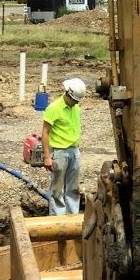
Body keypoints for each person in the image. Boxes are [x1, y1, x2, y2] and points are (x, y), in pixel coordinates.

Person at [42, 78, 86, 215]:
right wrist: (47, 157)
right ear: (67, 94)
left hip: (74, 150)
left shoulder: (75, 107)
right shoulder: (54, 108)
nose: (76, 103)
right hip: (60, 152)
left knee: (73, 188)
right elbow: (45, 133)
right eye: (74, 100)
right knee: (57, 189)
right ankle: (57, 221)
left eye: (78, 101)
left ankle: (72, 218)